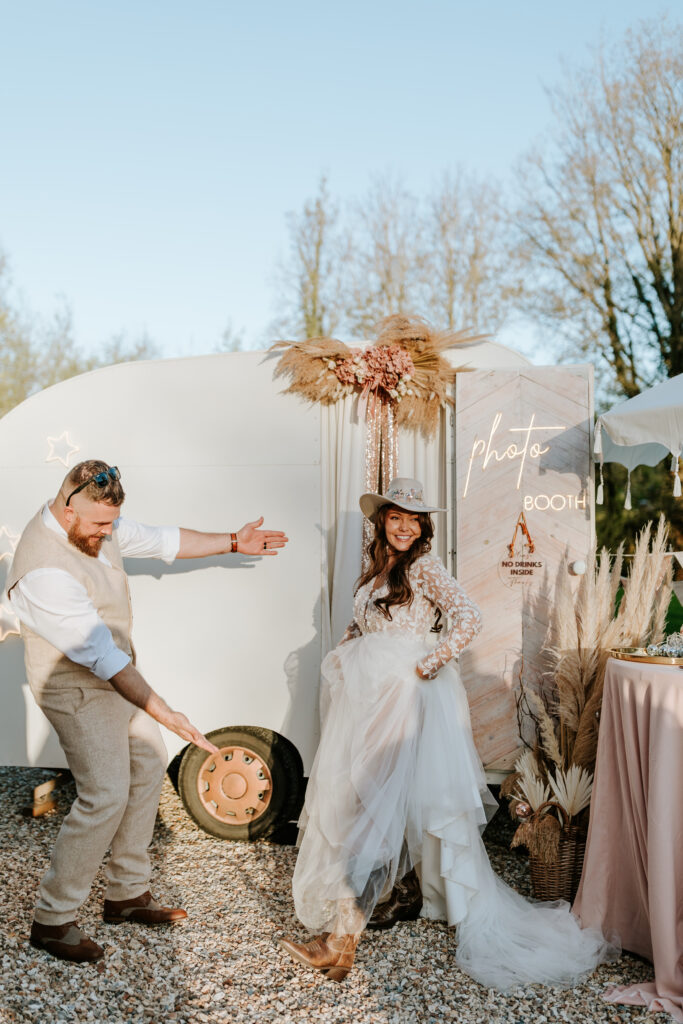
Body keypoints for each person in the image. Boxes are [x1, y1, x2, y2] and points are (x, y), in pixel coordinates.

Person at [278, 477, 617, 987]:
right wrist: (350, 646)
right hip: (370, 698)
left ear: (423, 527)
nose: (405, 526)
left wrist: (425, 665)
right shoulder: (380, 569)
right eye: (397, 517)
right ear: (382, 521)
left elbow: (468, 618)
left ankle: (341, 940)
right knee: (370, 801)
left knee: (372, 808)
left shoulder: (424, 566)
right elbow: (369, 626)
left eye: (414, 519)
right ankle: (388, 903)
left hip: (403, 699)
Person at [7, 460, 288, 963]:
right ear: (67, 506)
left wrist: (231, 540)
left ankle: (126, 895)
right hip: (74, 686)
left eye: (112, 522)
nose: (107, 533)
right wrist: (169, 713)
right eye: (98, 524)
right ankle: (52, 920)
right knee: (104, 793)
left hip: (114, 677)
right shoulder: (44, 569)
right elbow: (101, 656)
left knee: (148, 764)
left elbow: (162, 541)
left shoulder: (98, 521)